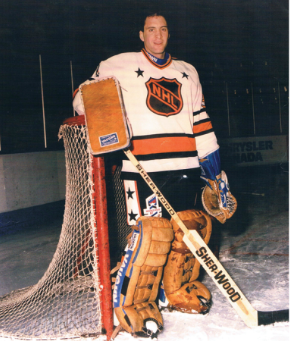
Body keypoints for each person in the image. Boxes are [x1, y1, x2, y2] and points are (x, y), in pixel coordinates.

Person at [73, 13, 232, 338]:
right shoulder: (116, 65)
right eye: (151, 30)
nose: (157, 36)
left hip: (186, 169)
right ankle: (134, 303)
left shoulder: (188, 72)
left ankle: (175, 291)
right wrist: (105, 113)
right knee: (150, 239)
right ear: (141, 34)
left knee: (188, 233)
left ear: (168, 33)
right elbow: (80, 99)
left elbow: (200, 124)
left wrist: (214, 172)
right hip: (141, 170)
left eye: (162, 29)